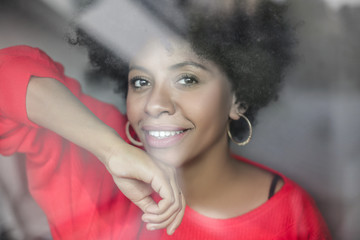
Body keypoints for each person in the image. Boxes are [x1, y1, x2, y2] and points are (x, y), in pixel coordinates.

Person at [0, 0, 331, 239]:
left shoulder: (291, 212)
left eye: (187, 79)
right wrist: (112, 151)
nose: (155, 104)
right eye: (141, 82)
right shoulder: (93, 162)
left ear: (237, 99)